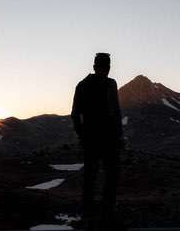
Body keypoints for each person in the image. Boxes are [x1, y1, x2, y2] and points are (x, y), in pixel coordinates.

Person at [71, 53, 124, 231]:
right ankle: (106, 217)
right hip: (108, 139)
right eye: (106, 67)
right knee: (109, 178)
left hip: (92, 140)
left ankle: (89, 217)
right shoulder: (110, 84)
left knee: (90, 178)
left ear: (94, 66)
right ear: (106, 67)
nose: (106, 70)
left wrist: (82, 135)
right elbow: (115, 112)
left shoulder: (82, 85)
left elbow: (75, 114)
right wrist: (119, 136)